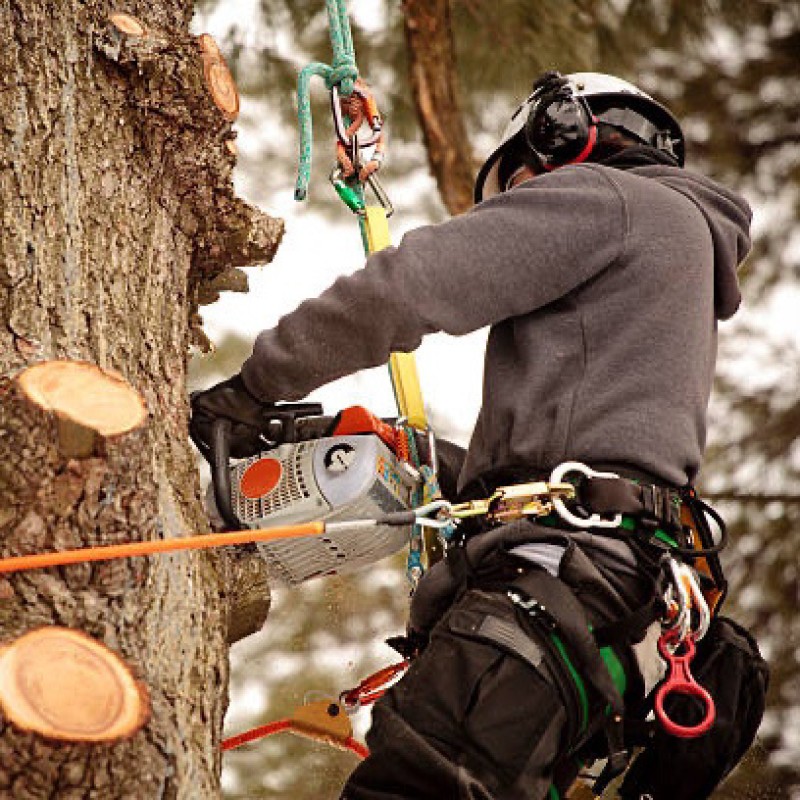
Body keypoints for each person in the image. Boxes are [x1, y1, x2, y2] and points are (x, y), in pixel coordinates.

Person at [191, 72, 759, 799]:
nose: (521, 204)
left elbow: (410, 287)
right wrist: (424, 462)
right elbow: (589, 460)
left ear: (566, 136)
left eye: (521, 184)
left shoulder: (608, 197)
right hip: (610, 610)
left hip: (548, 594)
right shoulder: (678, 254)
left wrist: (252, 388)